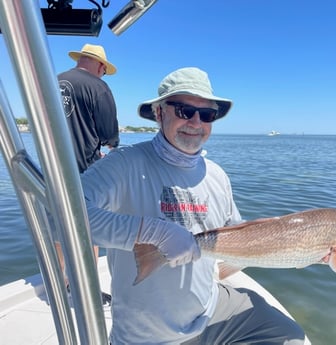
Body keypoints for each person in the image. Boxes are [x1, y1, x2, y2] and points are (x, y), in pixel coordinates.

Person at [81, 67, 308, 344]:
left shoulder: (216, 174)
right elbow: (61, 216)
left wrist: (300, 248)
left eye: (207, 114)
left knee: (290, 336)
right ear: (159, 112)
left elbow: (234, 234)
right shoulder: (124, 164)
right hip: (148, 334)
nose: (196, 122)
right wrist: (153, 232)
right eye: (184, 111)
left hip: (210, 309)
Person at [56, 43, 119, 304]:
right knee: (91, 229)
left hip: (52, 168)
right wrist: (111, 149)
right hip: (86, 171)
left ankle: (63, 282)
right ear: (100, 66)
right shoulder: (98, 87)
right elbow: (109, 137)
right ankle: (89, 287)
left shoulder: (53, 80)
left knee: (59, 226)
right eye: (104, 70)